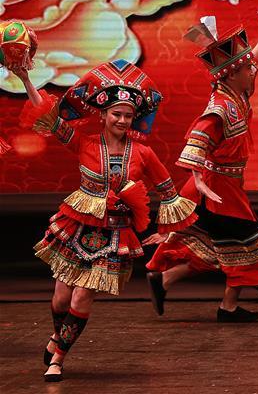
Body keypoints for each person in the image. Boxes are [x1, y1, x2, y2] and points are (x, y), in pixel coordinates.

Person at [14, 60, 197, 382]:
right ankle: (58, 337)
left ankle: (58, 358)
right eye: (117, 114)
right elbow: (47, 115)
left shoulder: (144, 153)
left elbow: (169, 194)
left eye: (128, 115)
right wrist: (25, 77)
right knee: (60, 297)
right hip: (78, 227)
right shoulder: (84, 143)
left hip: (114, 235)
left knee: (82, 296)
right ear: (103, 114)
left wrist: (167, 234)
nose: (123, 120)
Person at [145, 0, 258, 322]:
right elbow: (197, 140)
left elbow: (251, 60)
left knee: (217, 247)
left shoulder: (237, 92)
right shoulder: (220, 107)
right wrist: (200, 178)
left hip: (221, 185)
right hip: (219, 190)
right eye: (246, 68)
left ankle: (168, 279)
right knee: (249, 246)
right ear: (232, 75)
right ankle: (227, 306)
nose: (252, 69)